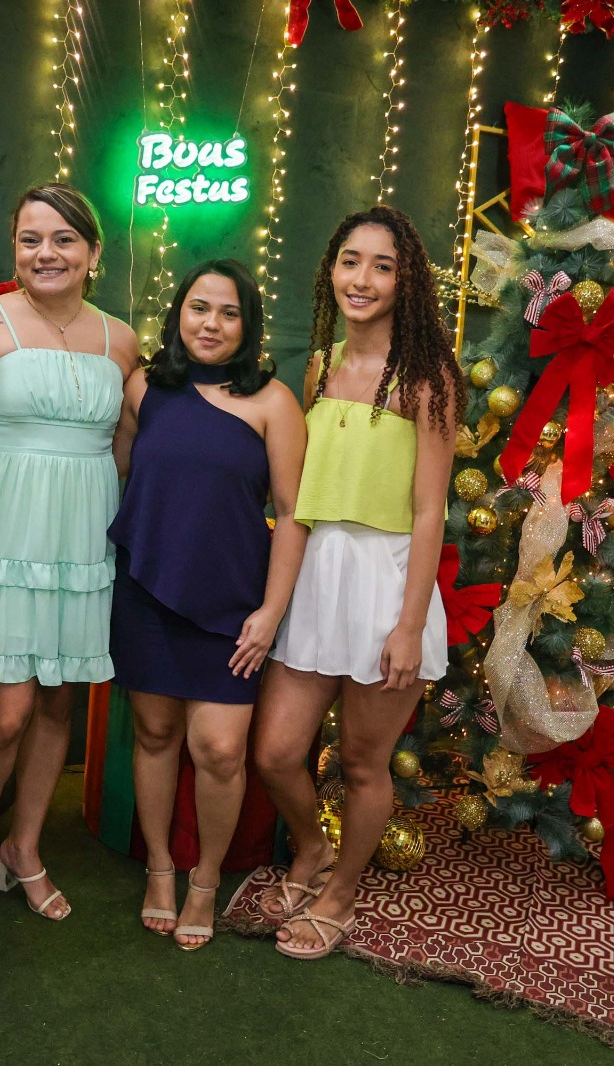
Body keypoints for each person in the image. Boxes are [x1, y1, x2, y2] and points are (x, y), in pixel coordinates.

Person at [252, 205, 459, 960]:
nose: (362, 279)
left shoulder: (427, 378)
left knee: (365, 763)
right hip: (317, 575)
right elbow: (300, 493)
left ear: (406, 283)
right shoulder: (319, 366)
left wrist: (408, 624)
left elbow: (431, 510)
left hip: (386, 579)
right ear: (330, 271)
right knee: (276, 752)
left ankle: (340, 892)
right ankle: (311, 848)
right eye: (350, 261)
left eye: (382, 265)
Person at [0, 184, 139, 947]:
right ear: (14, 247)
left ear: (92, 252)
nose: (45, 253)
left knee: (59, 705)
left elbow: (123, 447)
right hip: (6, 536)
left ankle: (21, 849)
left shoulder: (120, 339)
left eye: (63, 239)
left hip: (83, 538)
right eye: (30, 239)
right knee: (3, 714)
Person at [108, 260, 309, 950]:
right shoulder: (144, 387)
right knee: (155, 735)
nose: (211, 324)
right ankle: (160, 867)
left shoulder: (274, 402)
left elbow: (293, 513)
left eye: (229, 313)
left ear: (249, 326)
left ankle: (206, 878)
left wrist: (271, 611)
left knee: (221, 751)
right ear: (178, 314)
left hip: (232, 602)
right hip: (146, 588)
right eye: (199, 308)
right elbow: (119, 469)